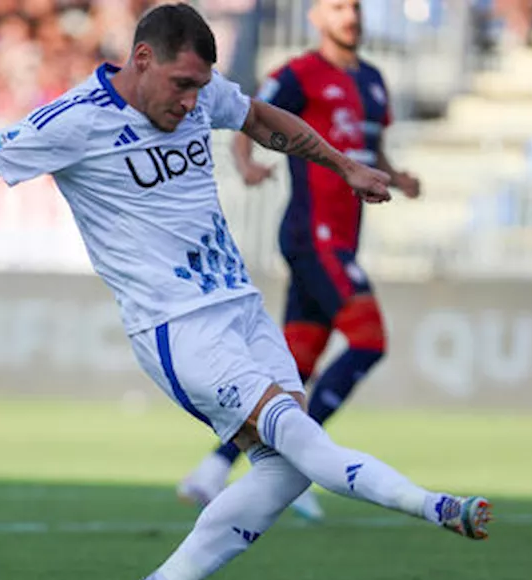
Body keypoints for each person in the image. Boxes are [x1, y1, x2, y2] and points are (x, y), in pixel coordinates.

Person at [0, 3, 491, 580]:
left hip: (241, 308)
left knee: (282, 470)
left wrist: (343, 164)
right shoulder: (73, 122)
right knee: (307, 446)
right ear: (143, 58)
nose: (191, 104)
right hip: (177, 328)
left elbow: (261, 119)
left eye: (199, 89)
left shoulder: (202, 95)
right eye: (181, 85)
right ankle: (437, 506)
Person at [176, 0, 421, 523]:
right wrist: (246, 163)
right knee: (368, 340)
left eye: (354, 7)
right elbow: (250, 115)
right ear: (316, 17)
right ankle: (297, 461)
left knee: (296, 364)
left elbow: (370, 150)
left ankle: (212, 470)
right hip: (315, 234)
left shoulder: (374, 81)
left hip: (344, 236)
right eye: (338, 7)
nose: (350, 16)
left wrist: (397, 177)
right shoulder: (297, 73)